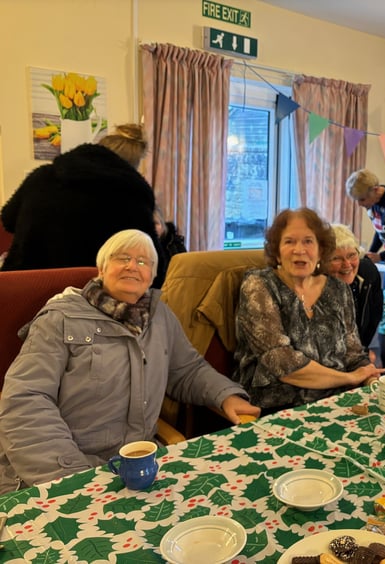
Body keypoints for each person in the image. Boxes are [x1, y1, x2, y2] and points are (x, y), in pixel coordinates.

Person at [0, 230, 259, 494]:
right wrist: (70, 478)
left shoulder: (160, 316)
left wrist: (226, 396)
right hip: (65, 470)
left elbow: (187, 369)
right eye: (122, 258)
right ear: (102, 268)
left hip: (137, 465)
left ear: (152, 276)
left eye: (144, 262)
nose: (133, 266)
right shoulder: (60, 317)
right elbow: (26, 399)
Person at [233, 208, 385, 414]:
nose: (299, 249)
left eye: (308, 241)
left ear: (321, 250)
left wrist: (369, 375)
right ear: (276, 251)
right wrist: (349, 378)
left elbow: (353, 352)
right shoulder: (259, 286)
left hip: (336, 402)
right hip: (276, 406)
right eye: (289, 242)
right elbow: (282, 363)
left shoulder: (339, 289)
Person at [0, 123, 167, 287]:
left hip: (24, 289)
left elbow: (8, 219)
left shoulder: (41, 176)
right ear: (133, 165)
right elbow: (154, 267)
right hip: (91, 297)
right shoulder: (134, 194)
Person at [327, 224, 383, 361]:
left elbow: (374, 317)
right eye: (336, 258)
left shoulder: (369, 274)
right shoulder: (314, 286)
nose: (347, 264)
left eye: (352, 255)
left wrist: (361, 352)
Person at [154, 204, 187, 273]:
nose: (153, 228)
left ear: (163, 226)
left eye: (156, 223)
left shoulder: (174, 243)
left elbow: (185, 268)